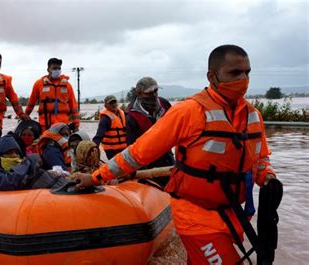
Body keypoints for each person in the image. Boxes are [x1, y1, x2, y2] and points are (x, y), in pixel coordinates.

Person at [76, 45, 278, 264]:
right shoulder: (188, 111)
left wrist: (267, 177)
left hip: (233, 215)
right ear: (212, 76)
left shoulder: (253, 116)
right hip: (195, 215)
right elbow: (136, 153)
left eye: (247, 72)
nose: (243, 79)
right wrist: (96, 177)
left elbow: (260, 160)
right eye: (235, 73)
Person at [0, 135, 67, 191]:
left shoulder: (25, 168)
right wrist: (26, 165)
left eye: (16, 152)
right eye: (9, 152)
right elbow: (6, 183)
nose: (14, 155)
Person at [126, 77, 174, 169]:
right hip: (147, 162)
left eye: (156, 91)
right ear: (139, 94)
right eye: (149, 93)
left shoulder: (165, 104)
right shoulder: (131, 116)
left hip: (167, 155)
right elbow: (131, 147)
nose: (154, 95)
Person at [25, 58, 80, 132]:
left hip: (63, 126)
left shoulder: (67, 85)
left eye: (59, 68)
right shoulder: (39, 84)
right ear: (48, 70)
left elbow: (73, 106)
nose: (57, 70)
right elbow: (31, 103)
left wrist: (76, 125)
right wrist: (25, 115)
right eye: (54, 68)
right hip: (45, 125)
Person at [93, 95, 127, 159]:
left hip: (124, 148)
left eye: (114, 102)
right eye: (111, 103)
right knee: (117, 167)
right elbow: (99, 135)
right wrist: (94, 147)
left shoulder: (123, 114)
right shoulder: (105, 119)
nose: (113, 105)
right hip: (111, 150)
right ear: (106, 106)